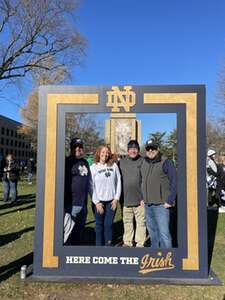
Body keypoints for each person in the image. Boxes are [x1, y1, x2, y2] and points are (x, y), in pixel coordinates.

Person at [141, 139, 177, 248]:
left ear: (158, 149)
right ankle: (155, 258)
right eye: (148, 148)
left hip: (162, 205)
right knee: (153, 234)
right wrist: (142, 198)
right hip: (148, 204)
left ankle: (168, 260)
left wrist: (170, 200)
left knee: (164, 234)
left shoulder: (166, 162)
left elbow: (175, 181)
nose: (150, 150)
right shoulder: (144, 162)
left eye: (153, 148)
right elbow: (142, 181)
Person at [90, 145, 121, 246]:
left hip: (111, 202)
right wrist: (97, 202)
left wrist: (116, 199)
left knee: (108, 225)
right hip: (99, 202)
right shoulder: (93, 167)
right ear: (98, 153)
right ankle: (99, 248)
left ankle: (108, 247)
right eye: (103, 152)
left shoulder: (114, 165)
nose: (105, 154)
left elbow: (119, 181)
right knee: (99, 226)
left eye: (107, 152)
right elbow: (90, 187)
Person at [64, 138, 92, 245]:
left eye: (80, 147)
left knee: (78, 231)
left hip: (83, 204)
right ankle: (65, 254)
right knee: (67, 232)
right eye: (75, 146)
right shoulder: (67, 162)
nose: (78, 149)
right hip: (71, 204)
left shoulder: (84, 162)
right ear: (71, 148)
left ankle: (75, 251)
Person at [118, 140, 145, 247]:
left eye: (135, 149)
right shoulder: (121, 162)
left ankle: (140, 243)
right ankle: (128, 242)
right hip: (125, 199)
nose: (133, 151)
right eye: (131, 149)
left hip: (140, 200)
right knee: (127, 223)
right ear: (128, 150)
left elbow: (146, 180)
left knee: (141, 223)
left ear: (138, 150)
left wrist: (144, 197)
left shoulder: (143, 161)